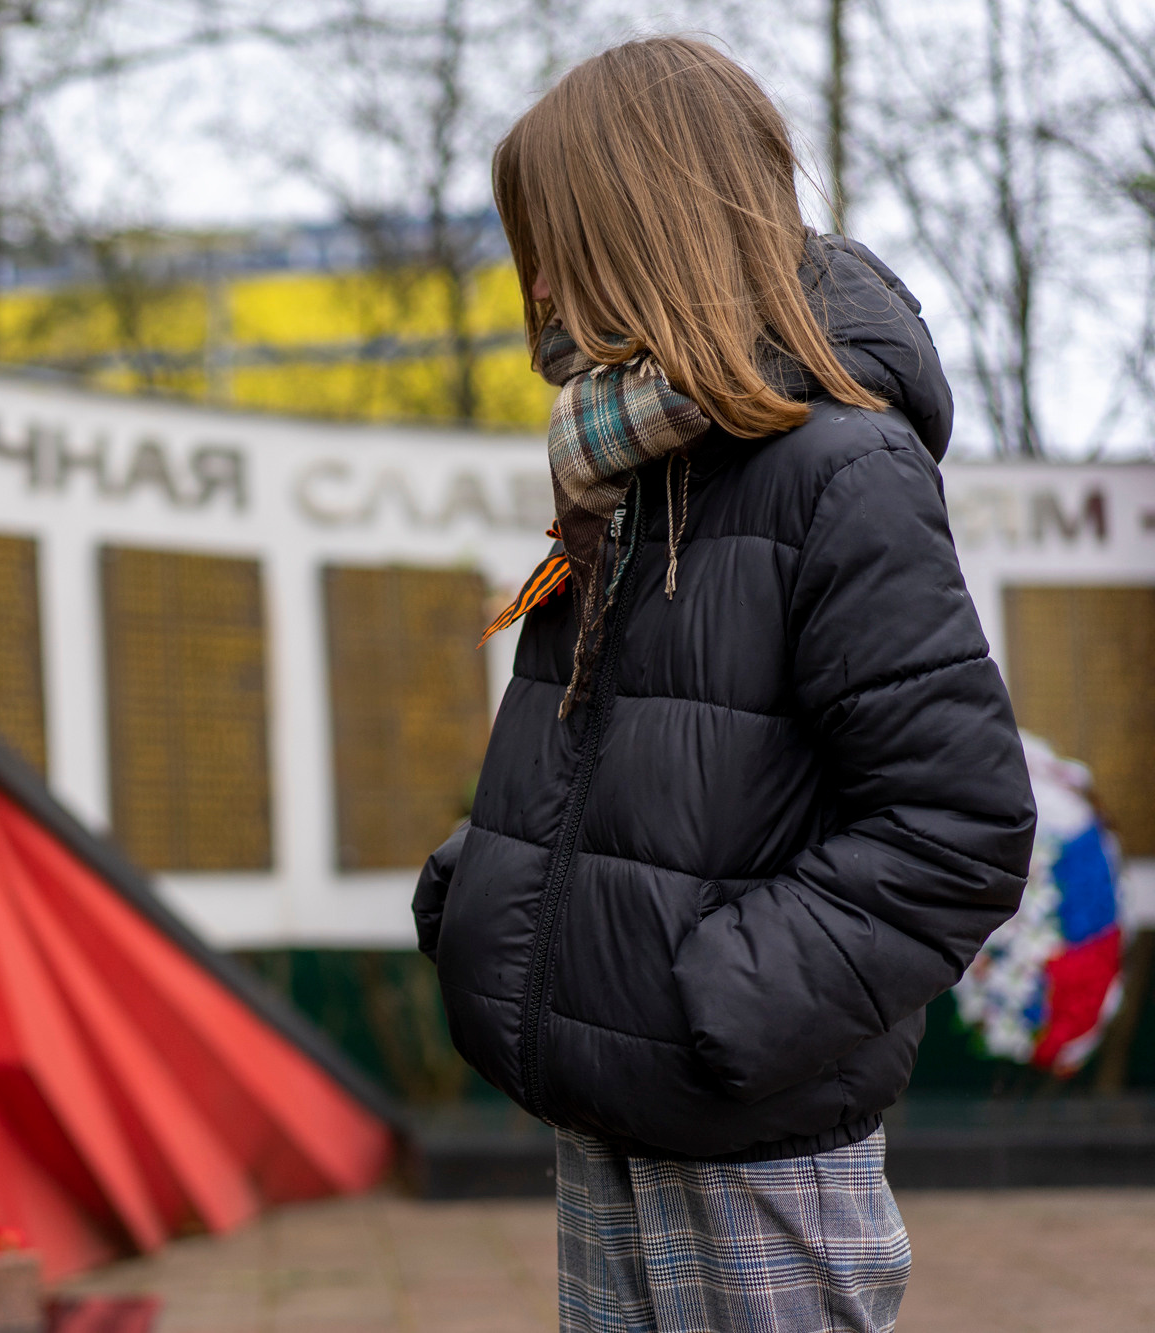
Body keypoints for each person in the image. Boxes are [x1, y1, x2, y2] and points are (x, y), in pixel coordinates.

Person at [411, 36, 1037, 1333]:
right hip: (614, 1109)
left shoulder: (838, 471)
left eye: (555, 234)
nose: (535, 281)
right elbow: (632, 770)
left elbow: (959, 825)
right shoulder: (624, 470)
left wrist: (717, 999)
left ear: (642, 225)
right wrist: (490, 885)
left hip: (754, 1143)